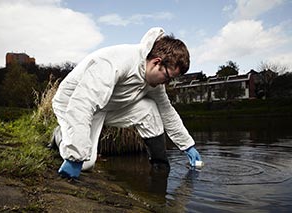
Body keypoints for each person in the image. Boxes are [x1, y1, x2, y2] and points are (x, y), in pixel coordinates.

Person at [51, 27, 202, 179]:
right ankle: (60, 135)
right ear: (157, 62)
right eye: (168, 77)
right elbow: (82, 104)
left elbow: (167, 112)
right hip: (72, 101)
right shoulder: (115, 62)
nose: (167, 83)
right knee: (86, 164)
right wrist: (74, 156)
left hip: (107, 105)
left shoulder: (154, 81)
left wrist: (188, 146)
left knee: (150, 108)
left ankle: (160, 168)